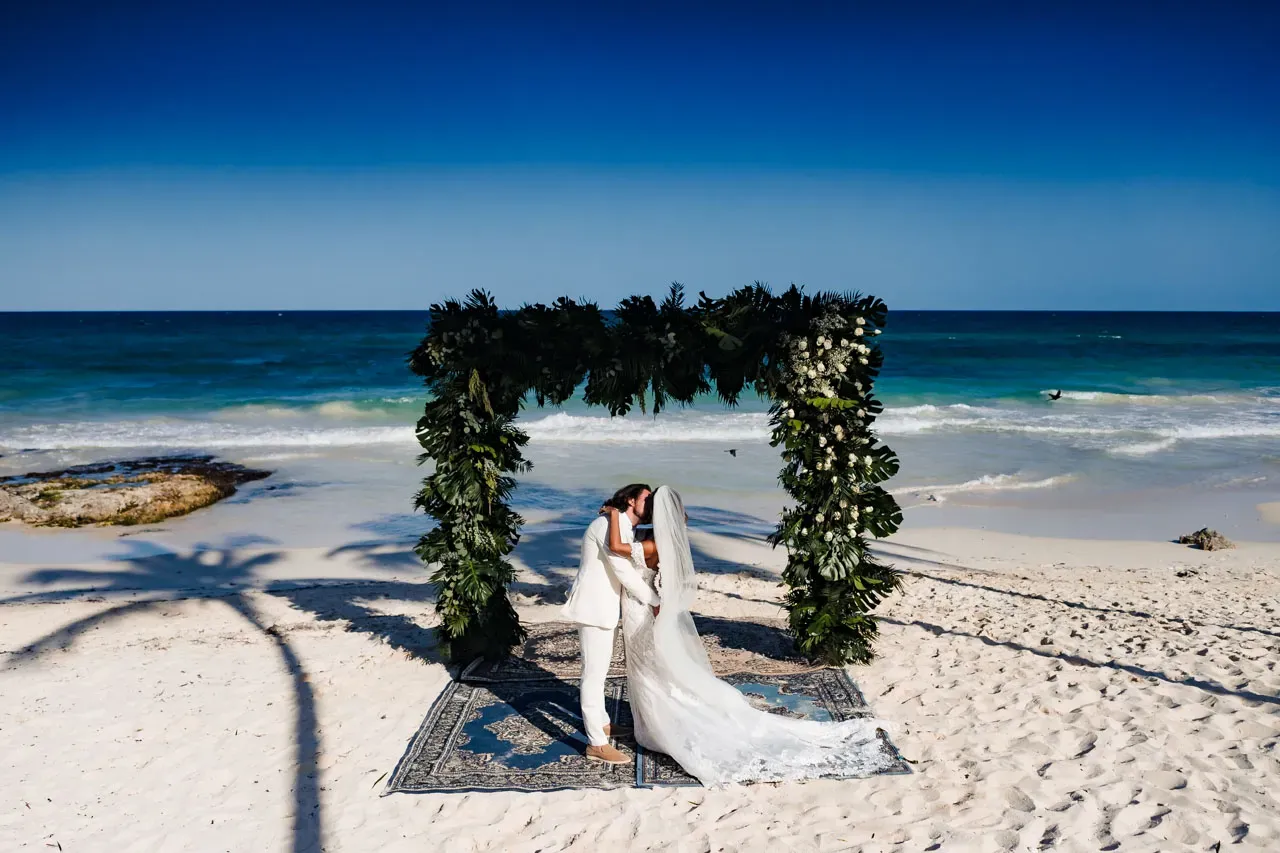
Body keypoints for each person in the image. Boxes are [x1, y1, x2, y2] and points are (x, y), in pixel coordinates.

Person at [601, 485, 898, 786]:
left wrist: (613, 514)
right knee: (653, 669)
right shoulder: (665, 540)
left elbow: (616, 547)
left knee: (647, 670)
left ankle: (654, 730)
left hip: (641, 608)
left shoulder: (651, 546)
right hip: (648, 605)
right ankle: (650, 725)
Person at [561, 483, 661, 764]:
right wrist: (654, 600)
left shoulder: (622, 525)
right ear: (630, 500)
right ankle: (596, 743)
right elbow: (623, 571)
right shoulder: (605, 525)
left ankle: (603, 723)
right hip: (593, 607)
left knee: (600, 671)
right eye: (646, 498)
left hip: (606, 607)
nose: (651, 501)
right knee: (593, 675)